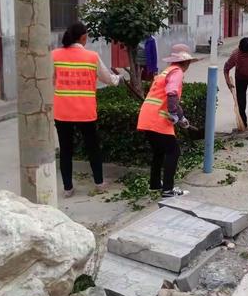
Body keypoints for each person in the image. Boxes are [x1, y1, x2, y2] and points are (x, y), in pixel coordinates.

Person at [52, 22, 122, 198]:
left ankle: (68, 188)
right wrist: (117, 79)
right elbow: (106, 78)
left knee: (66, 150)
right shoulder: (92, 56)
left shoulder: (54, 55)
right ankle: (99, 183)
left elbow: (51, 79)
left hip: (63, 111)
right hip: (85, 111)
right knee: (92, 148)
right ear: (83, 37)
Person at [137, 44, 199, 198]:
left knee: (159, 151)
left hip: (146, 116)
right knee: (173, 151)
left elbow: (168, 98)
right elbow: (172, 95)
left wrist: (181, 118)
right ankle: (168, 190)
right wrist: (176, 115)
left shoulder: (166, 71)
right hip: (159, 118)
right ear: (186, 62)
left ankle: (155, 184)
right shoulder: (177, 72)